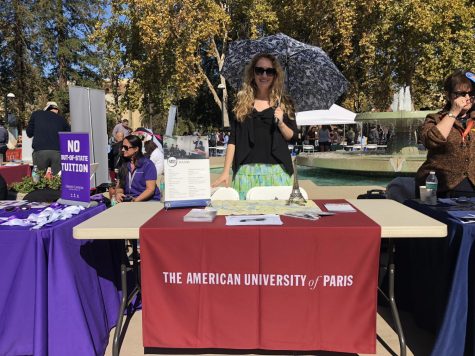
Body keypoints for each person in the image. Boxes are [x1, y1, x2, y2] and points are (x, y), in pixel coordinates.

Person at [212, 53, 298, 199]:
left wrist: (281, 122)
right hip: (246, 173)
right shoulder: (242, 104)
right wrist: (225, 171)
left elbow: (292, 136)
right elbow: (233, 140)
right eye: (259, 70)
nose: (264, 75)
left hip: (278, 172)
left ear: (275, 75)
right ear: (253, 73)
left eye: (269, 71)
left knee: (278, 218)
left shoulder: (285, 103)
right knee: (246, 219)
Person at [415, 69, 475, 198]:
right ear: (448, 95)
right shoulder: (435, 118)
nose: (467, 98)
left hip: (470, 190)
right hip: (437, 188)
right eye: (461, 93)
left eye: (471, 93)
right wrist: (454, 111)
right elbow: (431, 141)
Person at [26, 101, 70, 175]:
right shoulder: (62, 119)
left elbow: (29, 133)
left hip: (40, 151)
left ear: (46, 108)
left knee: (38, 179)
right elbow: (68, 135)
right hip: (58, 152)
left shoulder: (37, 114)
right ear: (57, 110)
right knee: (57, 180)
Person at [115, 135, 161, 202]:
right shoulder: (123, 165)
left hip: (149, 200)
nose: (122, 149)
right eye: (122, 147)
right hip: (129, 200)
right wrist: (119, 193)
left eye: (125, 147)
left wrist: (136, 200)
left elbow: (150, 189)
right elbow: (119, 186)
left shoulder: (147, 164)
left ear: (136, 149)